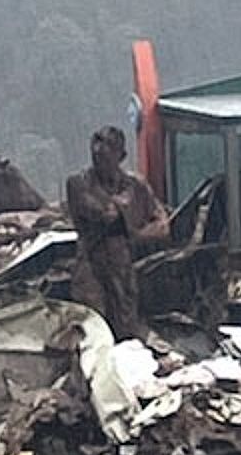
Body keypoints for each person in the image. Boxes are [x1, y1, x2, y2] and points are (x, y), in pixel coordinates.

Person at [65, 126, 169, 340]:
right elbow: (105, 213)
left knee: (126, 328)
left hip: (122, 267)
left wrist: (137, 234)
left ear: (120, 155)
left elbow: (162, 226)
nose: (99, 152)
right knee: (93, 328)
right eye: (96, 146)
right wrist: (129, 214)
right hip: (91, 266)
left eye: (107, 148)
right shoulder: (79, 183)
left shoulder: (135, 185)